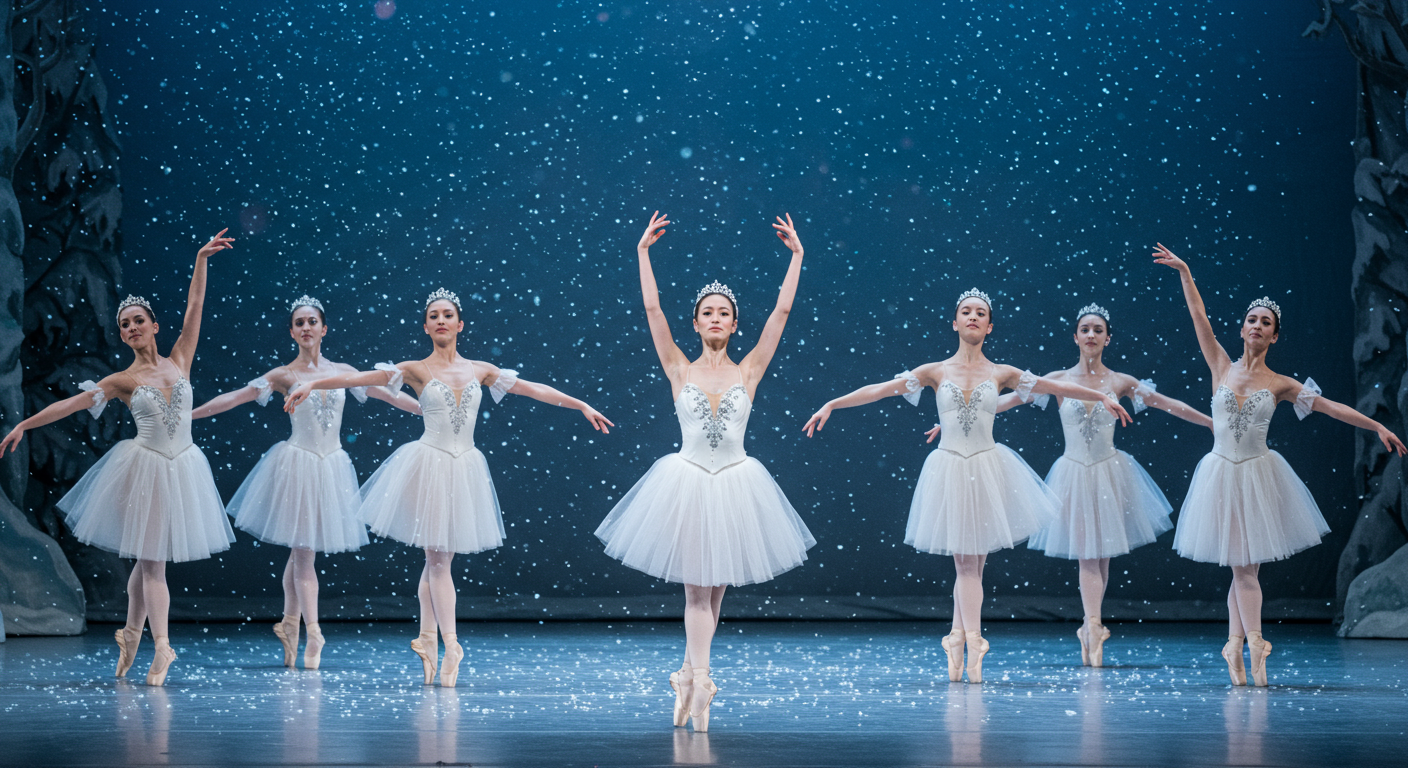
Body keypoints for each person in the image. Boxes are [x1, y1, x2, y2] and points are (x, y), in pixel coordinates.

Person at [283, 288, 612, 687]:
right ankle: (451, 644)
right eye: (434, 316)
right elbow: (359, 378)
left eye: (447, 315)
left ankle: (426, 637)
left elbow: (533, 388)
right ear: (426, 327)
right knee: (438, 562)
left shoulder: (480, 370)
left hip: (464, 468)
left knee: (437, 562)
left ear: (459, 324)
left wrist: (580, 404)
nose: (441, 320)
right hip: (431, 465)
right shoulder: (417, 369)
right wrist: (312, 386)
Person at [804, 288, 1132, 683]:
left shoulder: (1002, 373)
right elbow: (878, 390)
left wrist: (1101, 396)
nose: (973, 317)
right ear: (955, 322)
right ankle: (967, 640)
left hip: (988, 468)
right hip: (950, 469)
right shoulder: (935, 371)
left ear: (989, 326)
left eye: (980, 313)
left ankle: (963, 637)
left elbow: (1054, 387)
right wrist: (833, 404)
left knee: (973, 561)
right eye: (966, 311)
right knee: (965, 561)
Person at [595, 212, 815, 731]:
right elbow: (651, 309)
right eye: (707, 313)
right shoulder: (678, 366)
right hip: (689, 481)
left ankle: (687, 675)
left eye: (724, 313)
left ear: (735, 325)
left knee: (715, 593)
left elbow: (782, 313)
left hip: (737, 483)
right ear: (695, 323)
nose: (715, 318)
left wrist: (798, 258)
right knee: (697, 591)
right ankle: (701, 681)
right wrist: (643, 254)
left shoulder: (750, 369)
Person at [1154, 243, 1406, 686]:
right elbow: (1199, 318)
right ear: (1243, 328)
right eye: (1252, 319)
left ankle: (1251, 644)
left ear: (1274, 337)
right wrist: (1185, 272)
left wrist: (1375, 426)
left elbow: (1330, 407)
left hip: (1255, 474)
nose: (1256, 326)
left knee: (1245, 568)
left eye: (1265, 323)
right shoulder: (1220, 365)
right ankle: (1241, 645)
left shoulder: (1281, 384)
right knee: (1238, 566)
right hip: (1219, 475)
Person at [0, 230, 237, 685]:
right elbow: (67, 404)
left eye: (137, 321)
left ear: (154, 325)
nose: (130, 328)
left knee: (149, 561)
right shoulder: (121, 380)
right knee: (152, 563)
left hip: (183, 467)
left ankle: (131, 634)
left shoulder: (180, 359)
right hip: (146, 468)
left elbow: (195, 309)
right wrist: (24, 424)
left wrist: (201, 259)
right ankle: (163, 646)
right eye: (124, 324)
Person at [964, 303, 1211, 667]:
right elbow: (1006, 401)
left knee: (1102, 553)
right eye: (1085, 329)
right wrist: (960, 420)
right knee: (1088, 553)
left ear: (1107, 339)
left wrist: (1210, 423)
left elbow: (1165, 403)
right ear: (1076, 337)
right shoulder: (1060, 379)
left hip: (1110, 472)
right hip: (1074, 473)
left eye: (1098, 330)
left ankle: (1090, 625)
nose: (1091, 335)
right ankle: (1093, 626)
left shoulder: (1119, 381)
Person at [190, 295, 421, 669]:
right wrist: (191, 415)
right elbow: (237, 397)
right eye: (300, 322)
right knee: (303, 551)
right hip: (297, 466)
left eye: (312, 321)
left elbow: (389, 395)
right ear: (292, 332)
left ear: (324, 328)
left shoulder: (343, 371)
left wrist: (430, 409)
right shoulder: (284, 375)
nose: (306, 327)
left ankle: (288, 624)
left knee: (302, 551)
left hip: (331, 467)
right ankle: (313, 632)